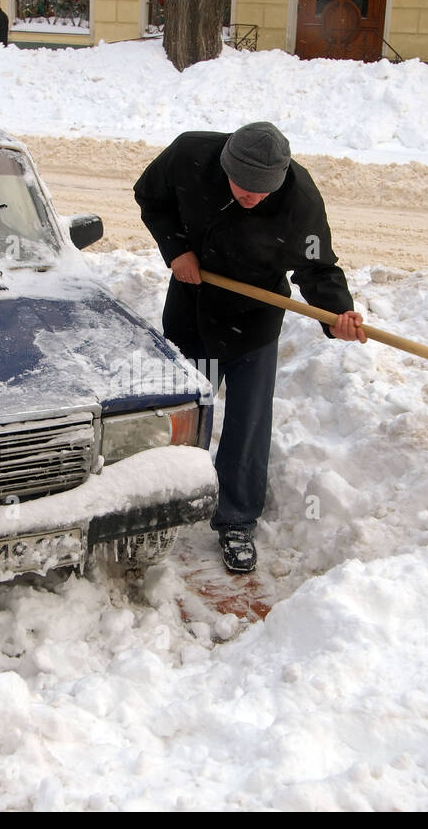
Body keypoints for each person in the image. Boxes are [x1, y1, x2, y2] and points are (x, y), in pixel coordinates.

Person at [134, 122, 366, 573]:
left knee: (248, 420)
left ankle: (237, 519)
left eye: (262, 191)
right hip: (193, 305)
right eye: (243, 187)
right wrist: (176, 249)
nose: (252, 197)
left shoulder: (299, 200)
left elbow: (317, 266)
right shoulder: (190, 155)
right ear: (225, 166)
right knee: (185, 411)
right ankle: (168, 496)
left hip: (252, 320)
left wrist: (339, 311)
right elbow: (151, 197)